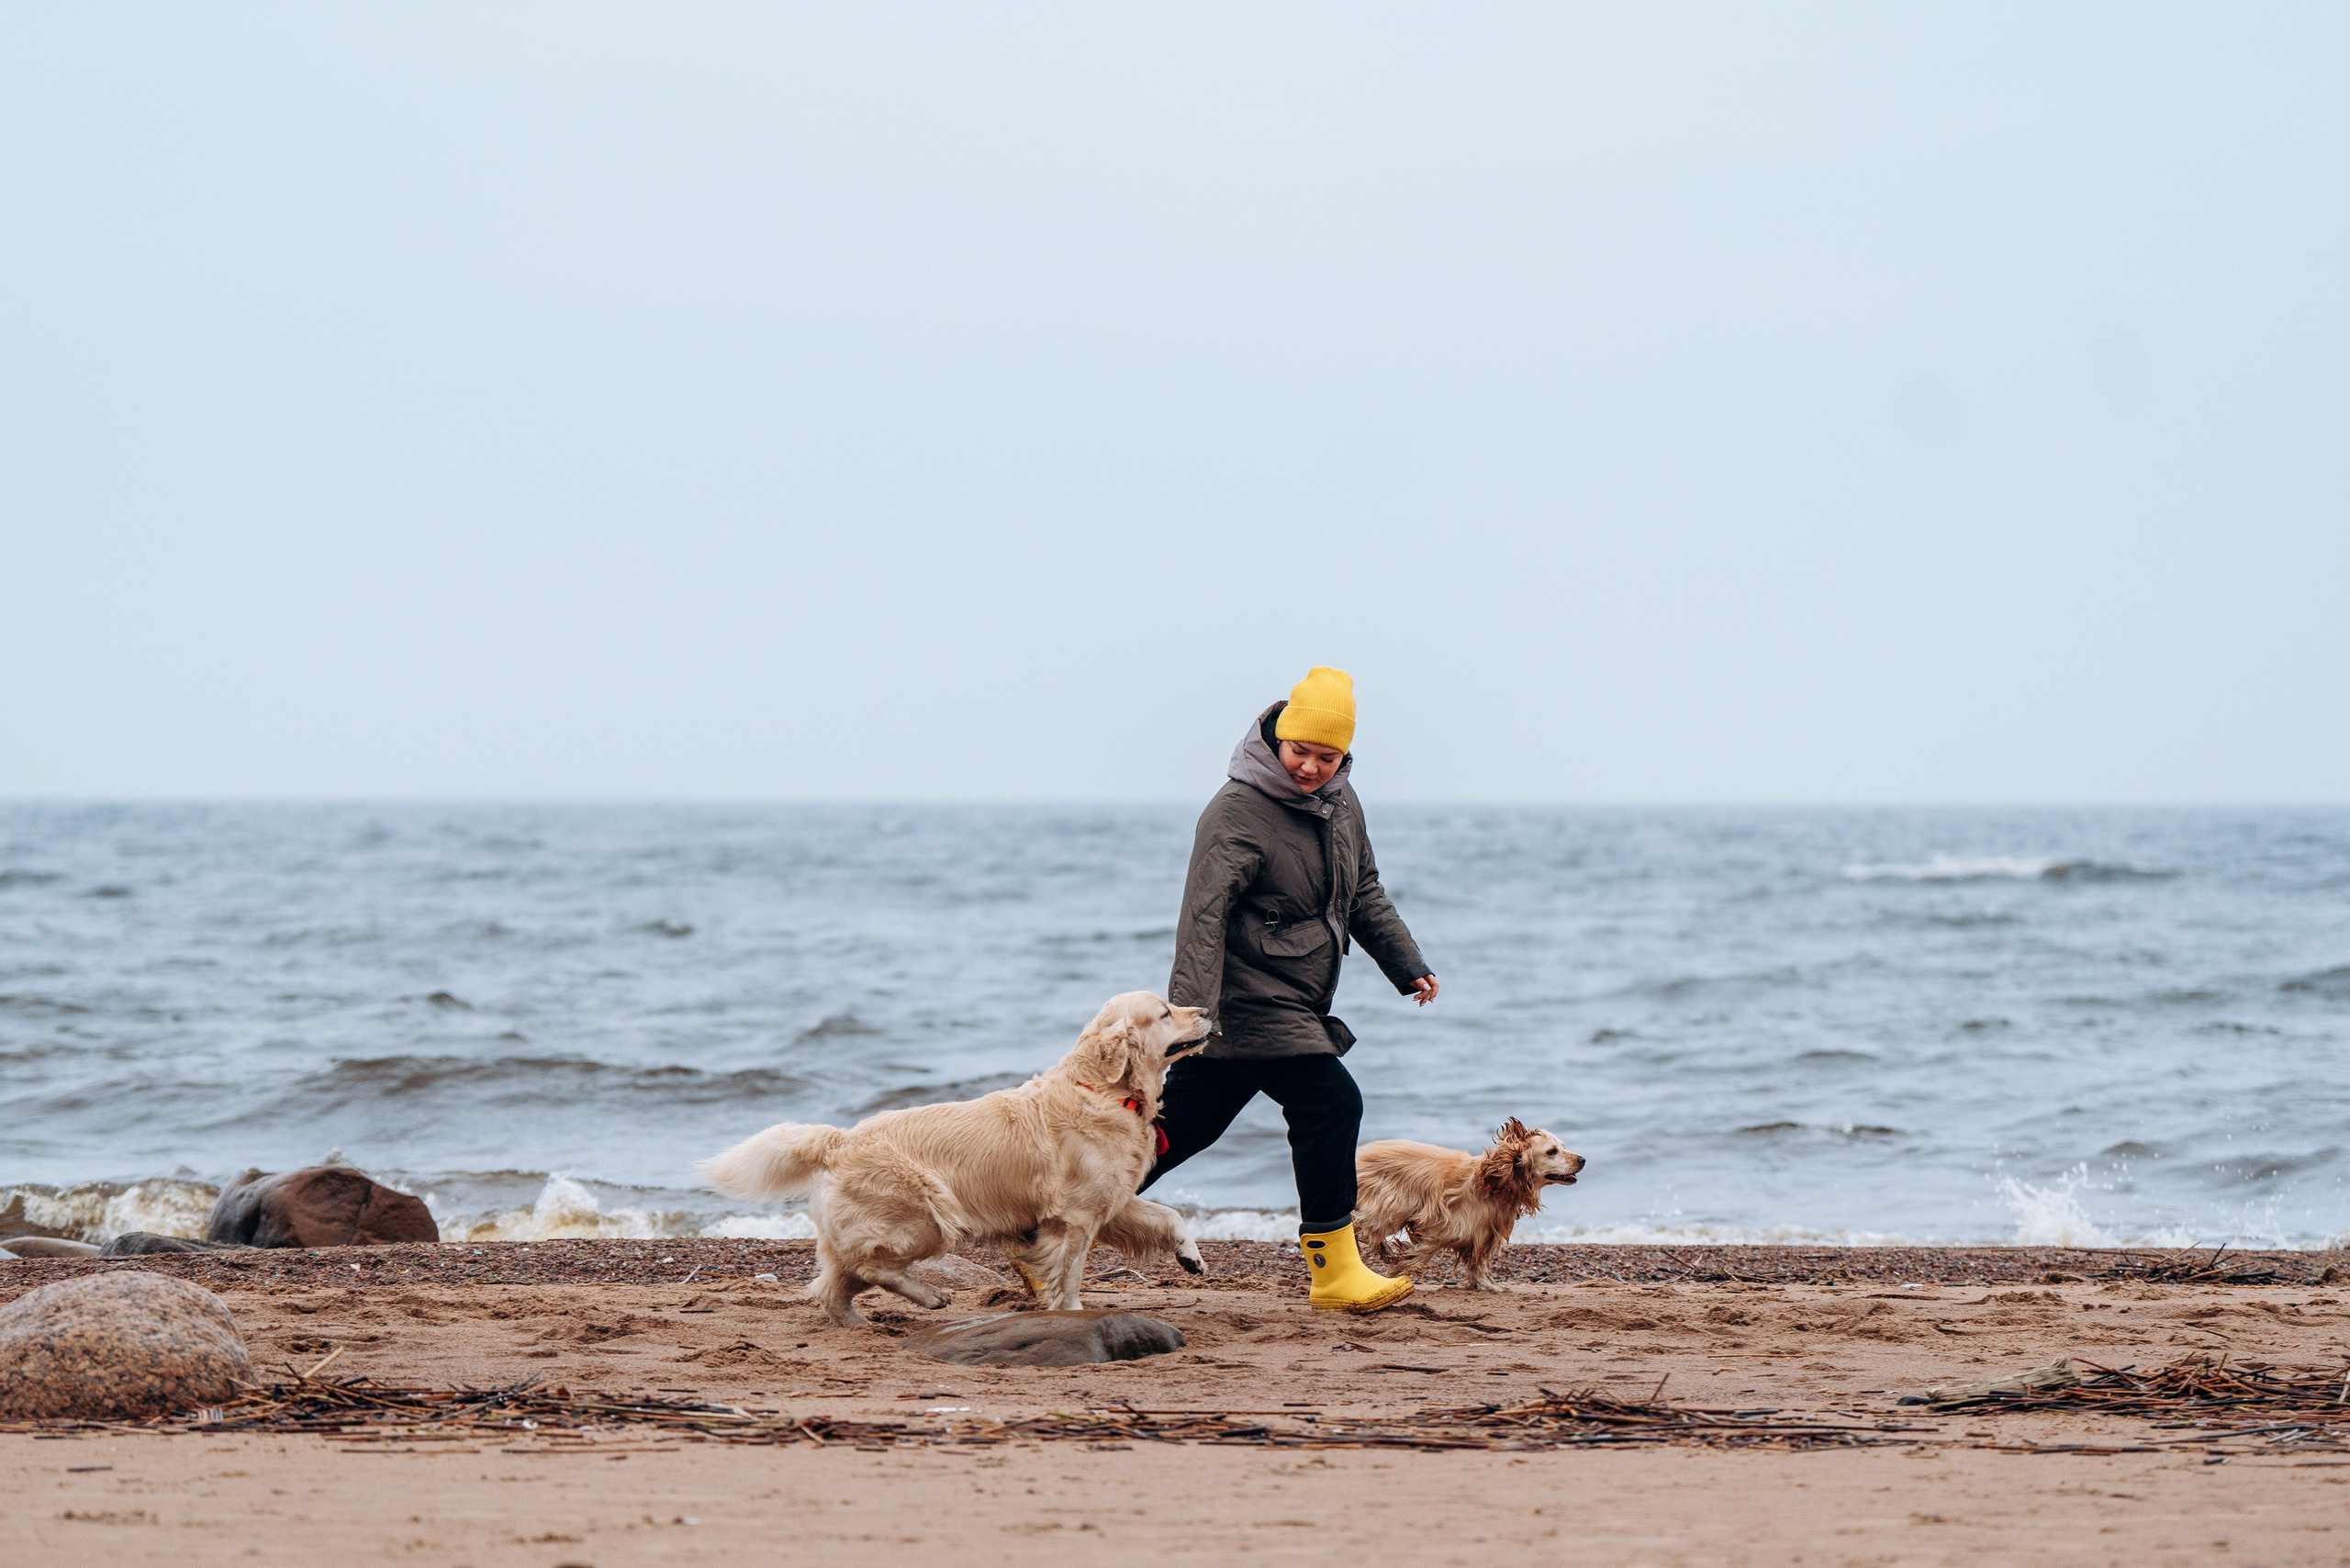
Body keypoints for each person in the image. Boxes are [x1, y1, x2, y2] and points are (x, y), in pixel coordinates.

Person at [1143, 666, 1438, 1312]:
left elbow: (1361, 890)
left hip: (1296, 996)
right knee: (1331, 1104)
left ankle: (1048, 1220)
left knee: (1178, 1128)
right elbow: (1202, 917)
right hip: (1246, 999)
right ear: (1276, 738)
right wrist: (1187, 1021)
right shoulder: (1237, 811)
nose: (1309, 767)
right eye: (1299, 751)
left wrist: (1404, 961)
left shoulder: (1339, 800)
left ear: (1344, 755)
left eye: (1326, 756)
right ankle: (1335, 1269)